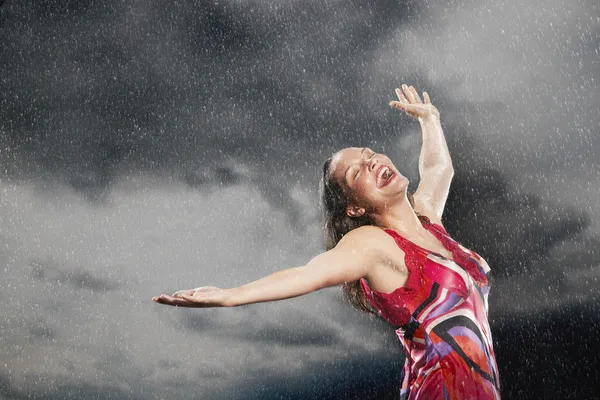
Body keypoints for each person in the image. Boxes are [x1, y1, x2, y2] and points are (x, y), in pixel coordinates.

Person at [153, 84, 501, 399]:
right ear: (356, 206)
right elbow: (308, 274)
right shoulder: (373, 245)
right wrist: (229, 296)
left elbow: (439, 169)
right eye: (357, 172)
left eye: (369, 154)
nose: (373, 162)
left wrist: (430, 120)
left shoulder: (429, 221)